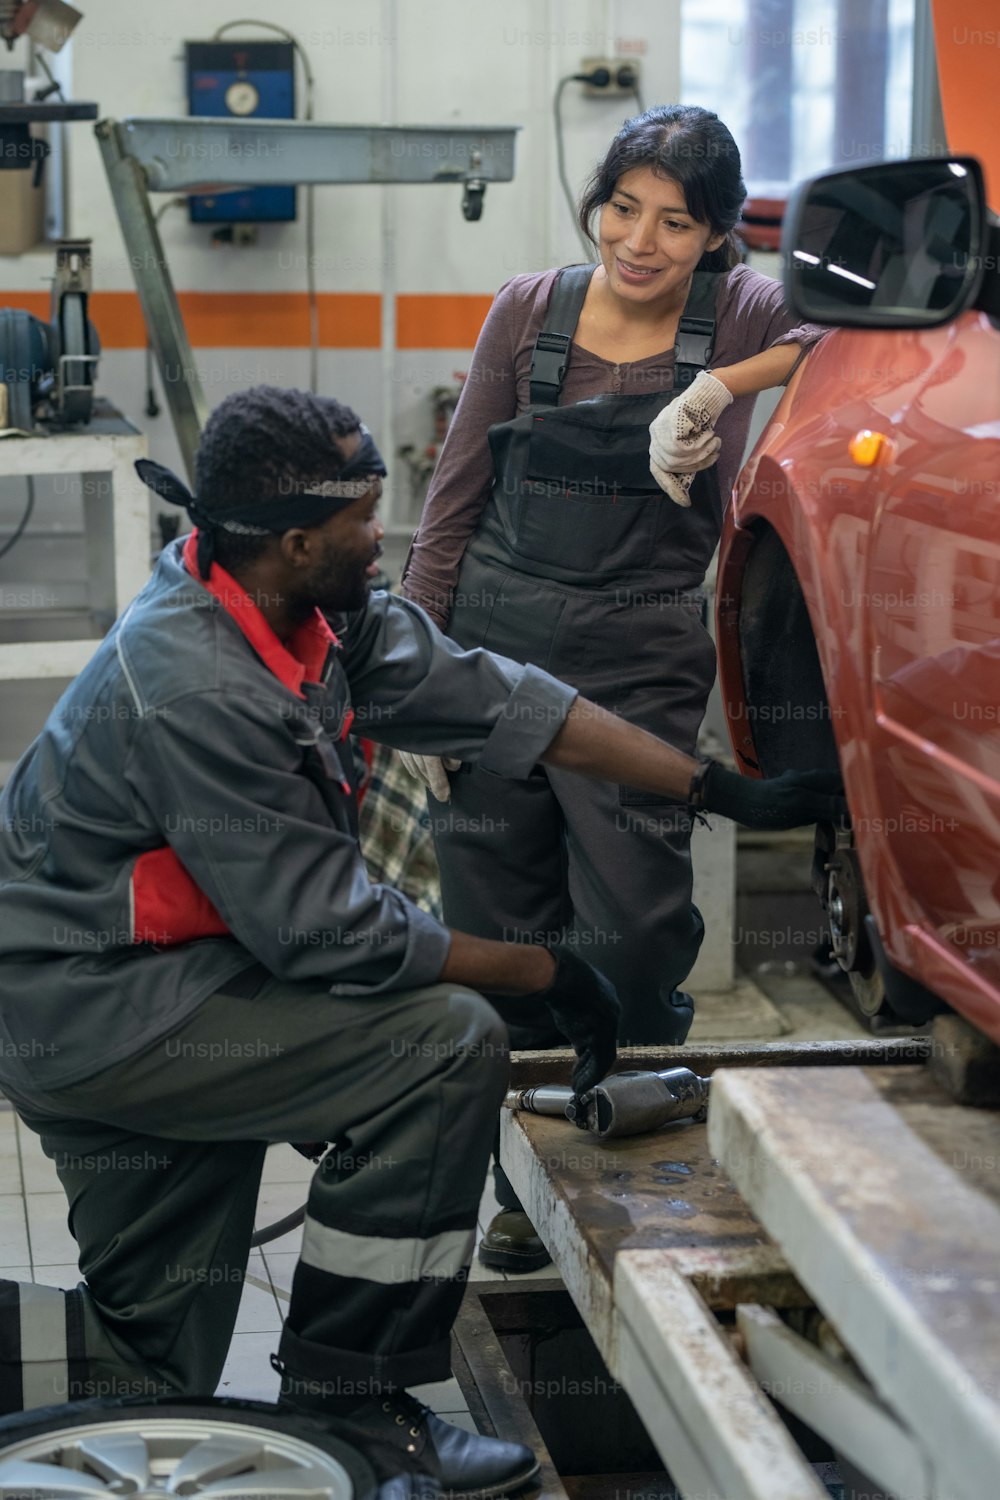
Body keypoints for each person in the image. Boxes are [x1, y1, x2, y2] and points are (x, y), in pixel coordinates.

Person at [0, 385, 841, 1498]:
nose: (380, 535)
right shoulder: (196, 685)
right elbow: (331, 935)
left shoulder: (307, 609)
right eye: (363, 515)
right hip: (100, 1014)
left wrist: (714, 786)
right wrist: (548, 973)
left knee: (157, 1371)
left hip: (160, 987)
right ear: (298, 538)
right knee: (442, 1043)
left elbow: (505, 702)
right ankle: (353, 1403)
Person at [398, 104, 829, 1271]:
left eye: (675, 222)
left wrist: (715, 390)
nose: (638, 241)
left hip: (638, 665)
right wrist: (414, 680)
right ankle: (518, 1190)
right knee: (498, 937)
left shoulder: (736, 309)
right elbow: (449, 508)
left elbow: (839, 342)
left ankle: (620, 1156)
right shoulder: (528, 309)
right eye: (621, 208)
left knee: (635, 931)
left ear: (715, 235)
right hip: (490, 654)